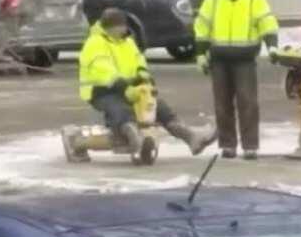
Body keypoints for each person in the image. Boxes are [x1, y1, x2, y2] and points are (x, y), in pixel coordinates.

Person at [77, 8, 216, 160]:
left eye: (122, 26)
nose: (121, 30)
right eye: (117, 27)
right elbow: (103, 70)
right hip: (102, 91)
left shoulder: (128, 42)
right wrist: (125, 88)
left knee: (158, 107)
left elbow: (139, 61)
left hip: (129, 88)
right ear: (108, 28)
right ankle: (133, 137)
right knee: (121, 111)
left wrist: (145, 78)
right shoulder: (95, 43)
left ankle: (190, 137)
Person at [194, 0, 279, 160]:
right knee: (222, 104)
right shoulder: (212, 0)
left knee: (247, 102)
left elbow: (267, 22)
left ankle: (250, 146)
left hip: (245, 59)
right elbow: (202, 28)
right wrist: (200, 53)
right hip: (219, 60)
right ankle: (228, 145)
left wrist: (273, 46)